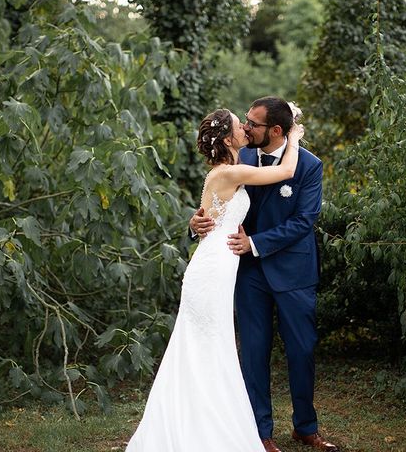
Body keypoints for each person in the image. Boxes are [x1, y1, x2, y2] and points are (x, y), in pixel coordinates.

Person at [125, 107, 304, 451]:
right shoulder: (228, 172)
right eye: (240, 126)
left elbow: (210, 216)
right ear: (227, 138)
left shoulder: (226, 171)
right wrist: (294, 135)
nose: (246, 129)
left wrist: (197, 223)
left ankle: (199, 423)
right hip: (210, 272)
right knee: (206, 348)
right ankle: (202, 431)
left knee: (209, 347)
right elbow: (287, 169)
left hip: (218, 268)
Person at [190, 97, 339, 452]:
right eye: (243, 121)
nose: (244, 127)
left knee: (302, 350)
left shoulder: (308, 165)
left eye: (252, 123)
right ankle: (260, 432)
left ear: (274, 130)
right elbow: (214, 207)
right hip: (248, 273)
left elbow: (304, 221)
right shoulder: (237, 158)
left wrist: (255, 243)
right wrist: (195, 224)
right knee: (253, 353)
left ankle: (306, 426)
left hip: (294, 271)